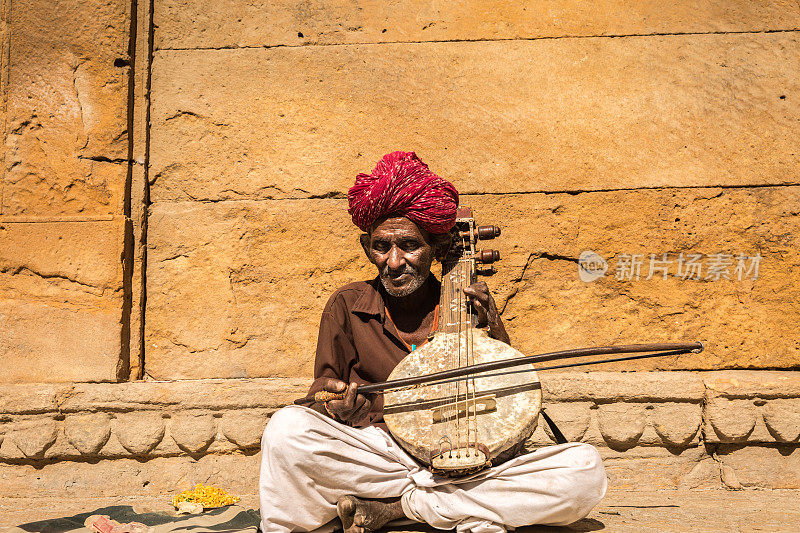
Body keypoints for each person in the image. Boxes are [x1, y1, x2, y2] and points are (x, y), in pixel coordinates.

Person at [259, 151, 607, 533]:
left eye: (409, 245)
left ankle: (398, 509)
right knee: (286, 429)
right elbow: (319, 398)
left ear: (436, 249)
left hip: (474, 457)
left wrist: (494, 326)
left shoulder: (468, 308)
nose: (393, 261)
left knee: (583, 470)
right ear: (366, 248)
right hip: (384, 457)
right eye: (381, 246)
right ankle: (463, 506)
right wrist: (339, 408)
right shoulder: (347, 305)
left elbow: (514, 399)